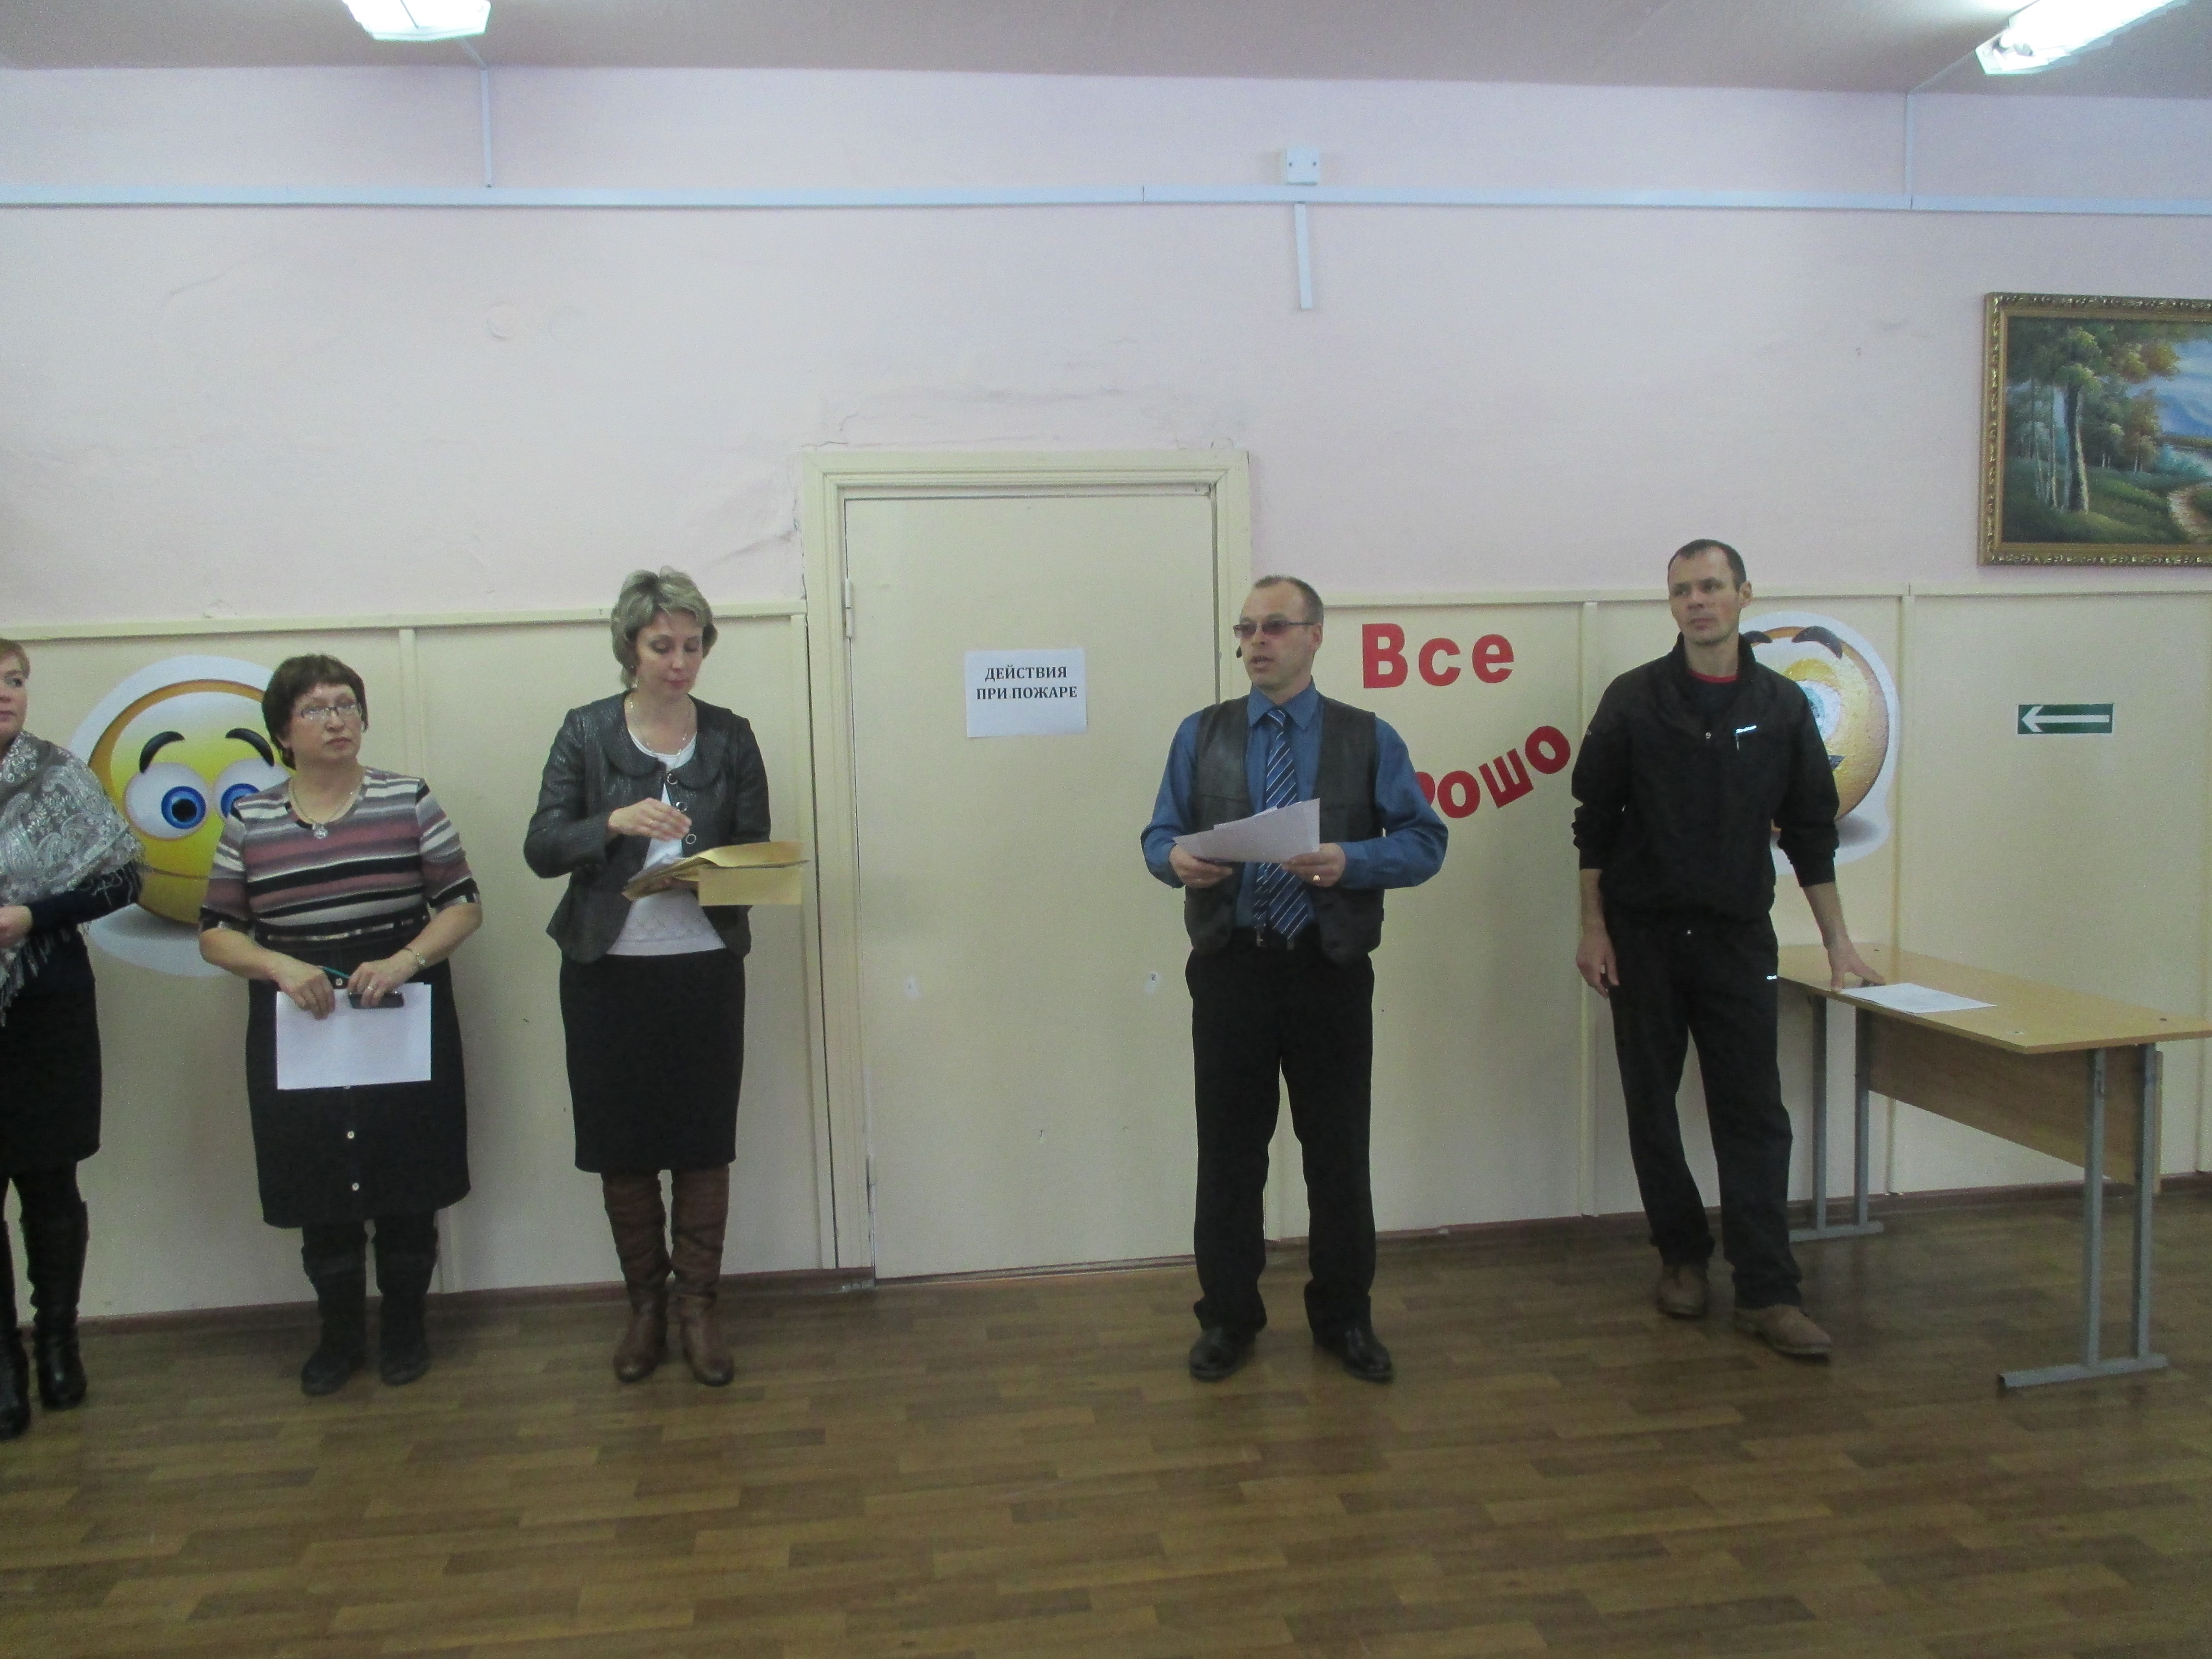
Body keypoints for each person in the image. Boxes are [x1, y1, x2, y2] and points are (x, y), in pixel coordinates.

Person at [1570, 539, 1879, 1359]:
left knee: (1755, 1114)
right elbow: (1594, 824)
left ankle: (1768, 1291)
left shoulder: (1781, 706)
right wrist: (1593, 928)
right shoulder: (1634, 700)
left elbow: (1811, 831)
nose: (1697, 602)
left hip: (1737, 938)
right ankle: (1680, 1256)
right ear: (1671, 604)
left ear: (1744, 594)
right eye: (1682, 590)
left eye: (1711, 586)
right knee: (1651, 1105)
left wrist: (1839, 941)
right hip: (1642, 937)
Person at [1142, 576, 1447, 1384]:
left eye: (1275, 627)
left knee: (1338, 1154)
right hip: (1231, 968)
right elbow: (1158, 836)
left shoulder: (1367, 737)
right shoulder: (1201, 734)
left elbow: (1425, 842)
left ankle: (1345, 1318)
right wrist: (1175, 859)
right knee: (1230, 1156)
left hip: (1328, 967)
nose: (1257, 642)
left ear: (1315, 635)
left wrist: (1353, 860)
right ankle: (1228, 1318)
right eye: (1246, 629)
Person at [199, 655, 482, 1395]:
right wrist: (276, 966)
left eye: (348, 705)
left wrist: (407, 960)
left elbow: (462, 904)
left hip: (398, 999)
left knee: (405, 1175)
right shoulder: (250, 819)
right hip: (302, 1014)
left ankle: (406, 1327)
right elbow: (216, 933)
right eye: (317, 709)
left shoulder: (407, 799)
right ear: (282, 733)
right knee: (318, 1180)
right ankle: (338, 1334)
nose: (337, 721)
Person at [526, 568, 770, 1388]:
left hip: (703, 970)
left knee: (703, 1143)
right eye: (663, 645)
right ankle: (646, 1308)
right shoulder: (587, 731)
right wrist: (612, 822)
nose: (680, 662)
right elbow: (541, 847)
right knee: (622, 1148)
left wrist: (706, 874)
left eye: (694, 646)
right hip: (607, 973)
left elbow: (757, 855)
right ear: (629, 648)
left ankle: (698, 1307)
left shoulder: (731, 736)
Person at [0, 640, 143, 1440]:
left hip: (47, 1004)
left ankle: (59, 1345)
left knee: (50, 1181)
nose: (6, 694)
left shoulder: (60, 777)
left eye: (15, 680)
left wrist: (33, 916)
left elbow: (124, 877)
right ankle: (4, 1364)